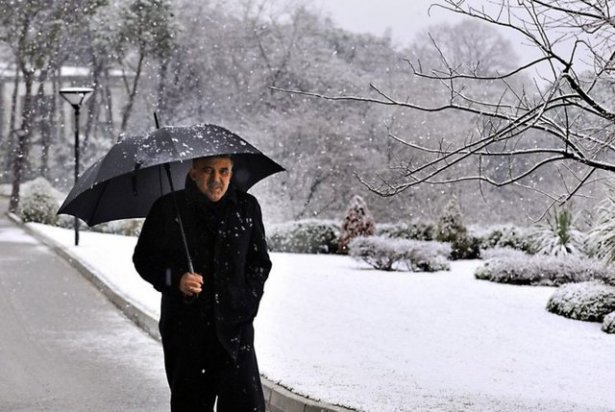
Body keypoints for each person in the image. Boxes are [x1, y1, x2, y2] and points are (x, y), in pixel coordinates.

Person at [133, 154, 272, 411]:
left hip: (235, 331)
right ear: (194, 172)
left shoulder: (246, 207)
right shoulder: (168, 208)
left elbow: (259, 263)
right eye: (208, 171)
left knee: (245, 405)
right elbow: (144, 259)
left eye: (224, 171)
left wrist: (245, 304)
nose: (216, 179)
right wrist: (177, 279)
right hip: (186, 333)